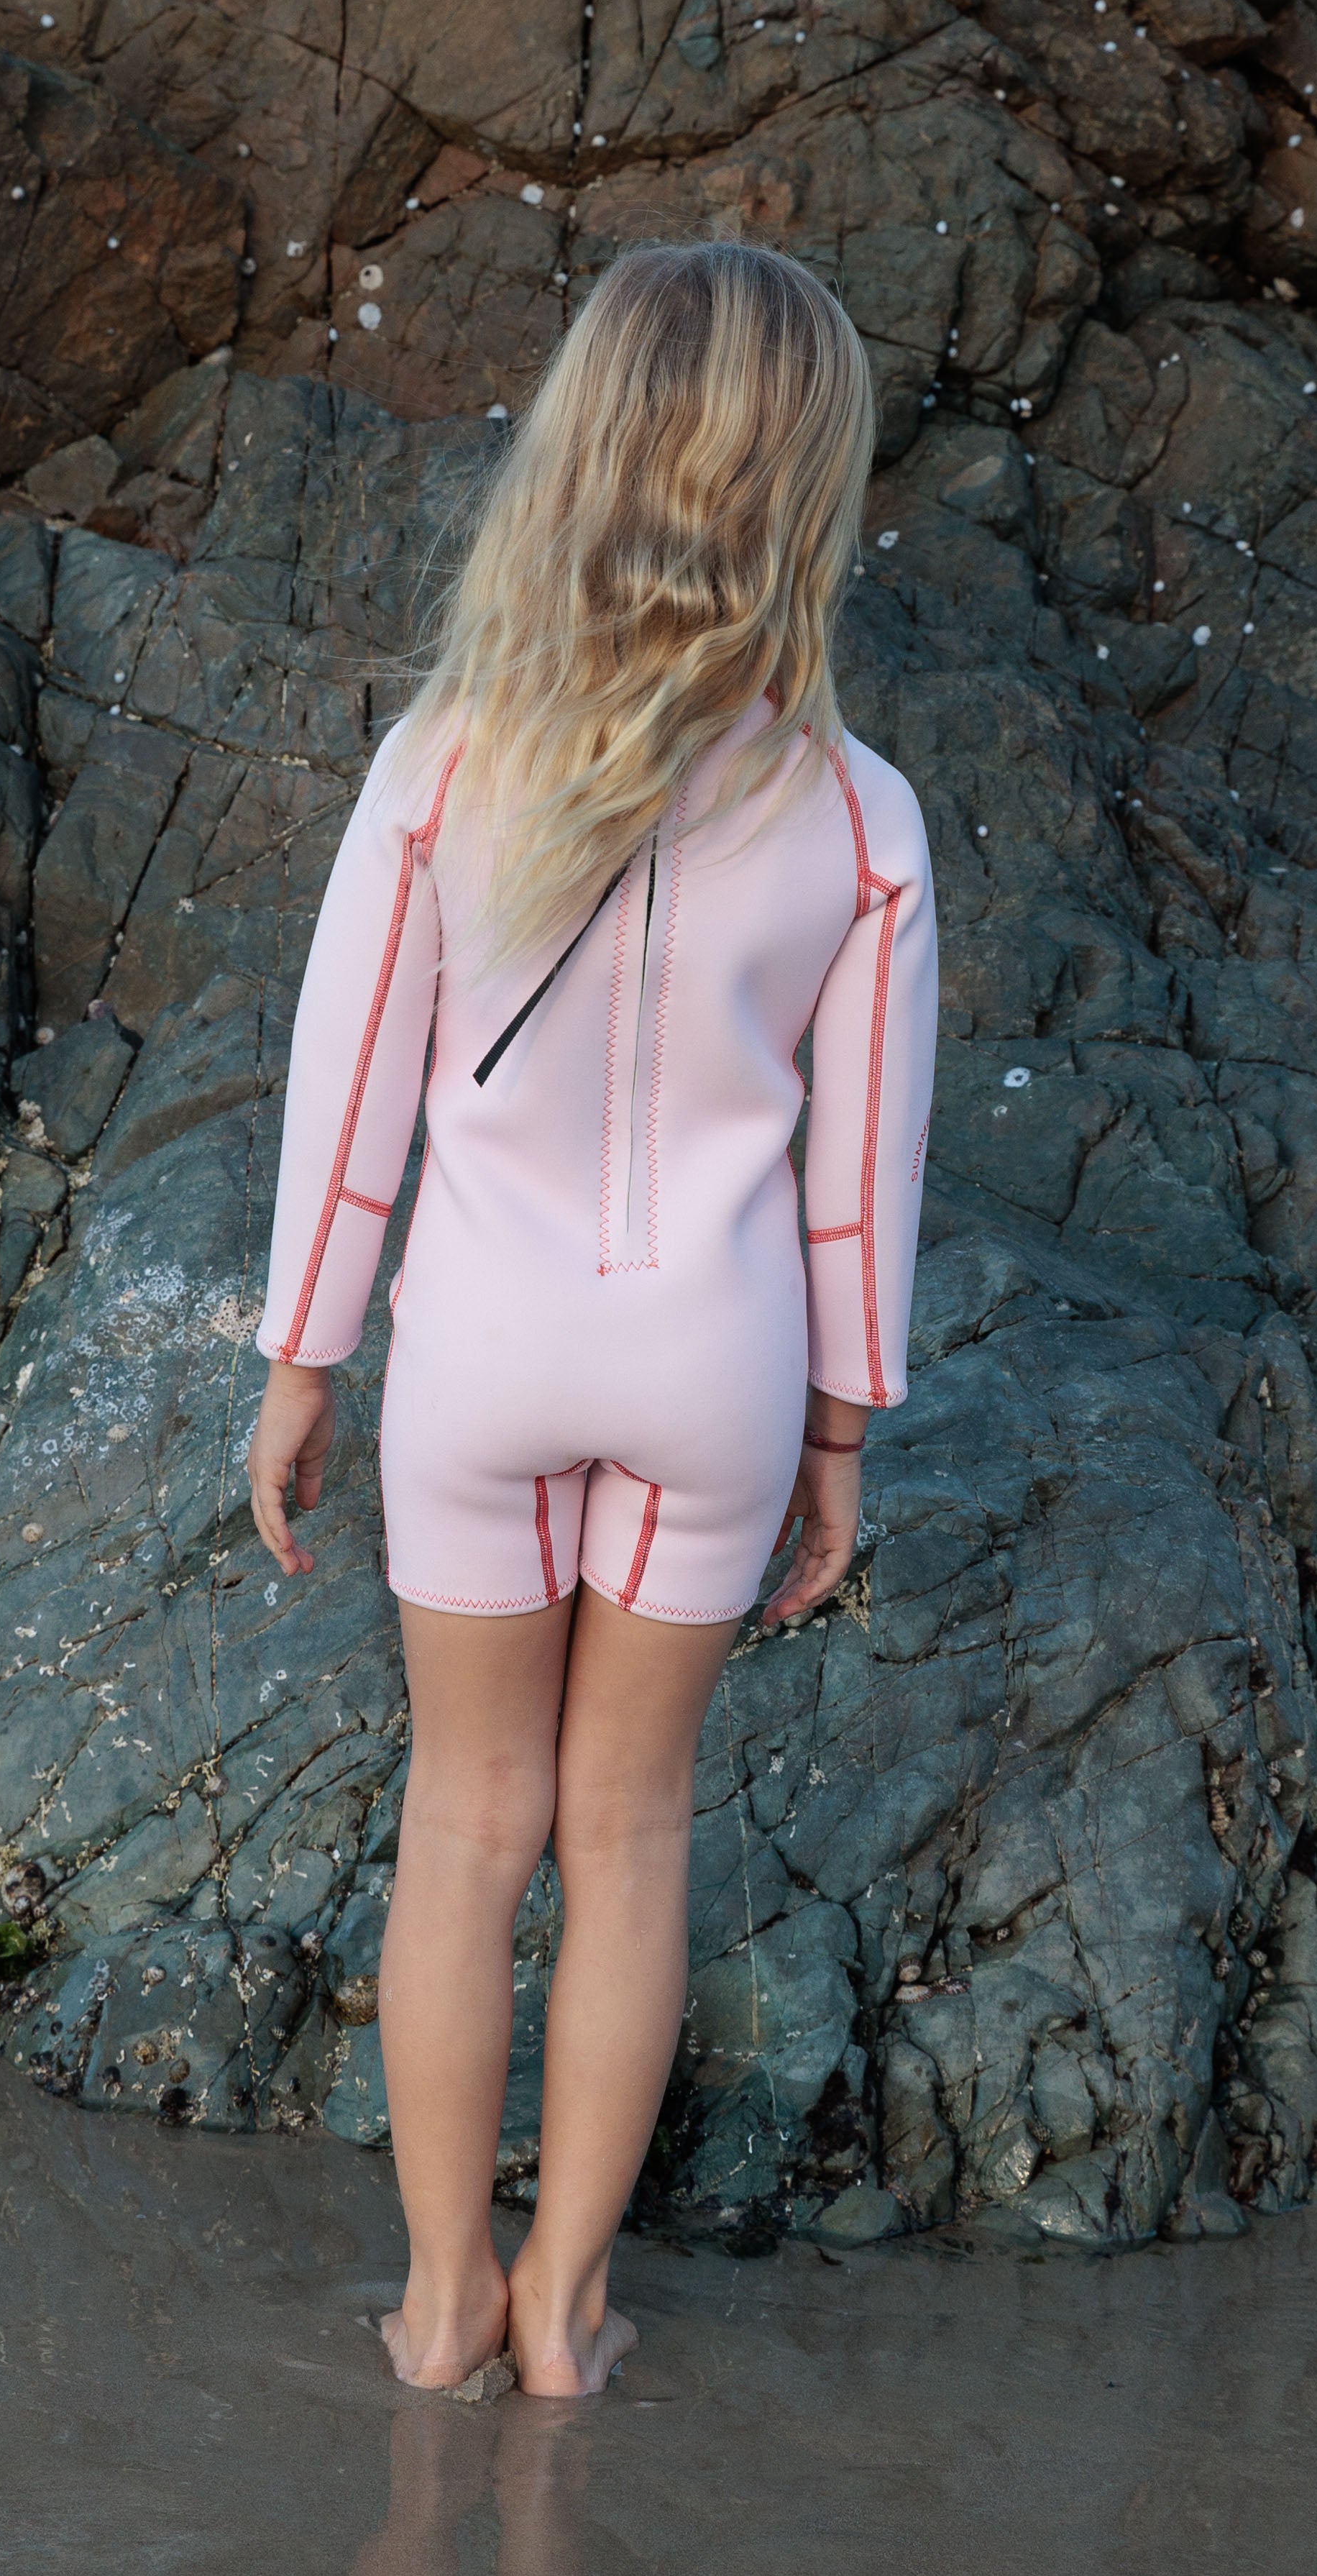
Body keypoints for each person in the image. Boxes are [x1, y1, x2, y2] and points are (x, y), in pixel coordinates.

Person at [244, 241, 938, 2402]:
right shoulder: (861, 818)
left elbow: (350, 1082)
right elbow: (862, 1174)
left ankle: (440, 2302)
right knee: (632, 1835)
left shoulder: (447, 763)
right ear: (802, 489)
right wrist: (843, 1429)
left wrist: (302, 1354)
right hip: (715, 1370)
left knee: (469, 1825)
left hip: (476, 1351)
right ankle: (571, 2316)